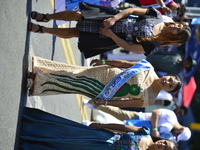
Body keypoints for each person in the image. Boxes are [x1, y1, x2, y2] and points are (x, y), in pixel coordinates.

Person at [28, 2, 191, 59]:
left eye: (179, 31)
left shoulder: (154, 45)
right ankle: (46, 16)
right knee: (79, 15)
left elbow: (129, 48)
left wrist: (111, 34)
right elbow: (132, 11)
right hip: (114, 18)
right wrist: (114, 19)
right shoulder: (157, 15)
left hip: (110, 37)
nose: (176, 26)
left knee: (75, 33)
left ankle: (43, 30)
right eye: (179, 26)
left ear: (175, 39)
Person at [27, 56, 182, 109]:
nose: (166, 82)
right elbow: (123, 64)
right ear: (168, 75)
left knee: (73, 85)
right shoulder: (148, 67)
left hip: (105, 91)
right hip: (105, 72)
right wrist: (104, 60)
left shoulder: (150, 99)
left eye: (169, 85)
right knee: (74, 73)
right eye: (169, 79)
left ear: (168, 91)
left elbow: (126, 104)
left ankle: (38, 81)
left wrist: (105, 103)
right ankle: (38, 73)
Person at [20, 107, 178, 150]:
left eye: (165, 149)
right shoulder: (146, 134)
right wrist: (102, 125)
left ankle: (30, 143)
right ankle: (31, 127)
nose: (162, 145)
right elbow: (122, 127)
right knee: (68, 134)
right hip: (102, 137)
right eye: (165, 143)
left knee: (64, 147)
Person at [97, 106, 191, 142]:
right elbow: (155, 112)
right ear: (181, 129)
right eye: (178, 134)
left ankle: (94, 124)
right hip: (138, 118)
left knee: (111, 125)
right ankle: (94, 103)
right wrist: (154, 129)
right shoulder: (172, 115)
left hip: (137, 130)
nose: (175, 135)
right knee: (112, 111)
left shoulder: (170, 135)